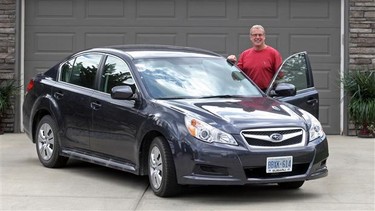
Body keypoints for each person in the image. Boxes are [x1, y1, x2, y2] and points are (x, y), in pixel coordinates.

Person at [227, 25, 283, 92]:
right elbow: (237, 77)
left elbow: (280, 76)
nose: (257, 37)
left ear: (264, 36)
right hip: (249, 94)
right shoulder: (244, 54)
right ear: (250, 37)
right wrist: (231, 64)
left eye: (260, 35)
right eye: (255, 35)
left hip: (267, 95)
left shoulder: (274, 54)